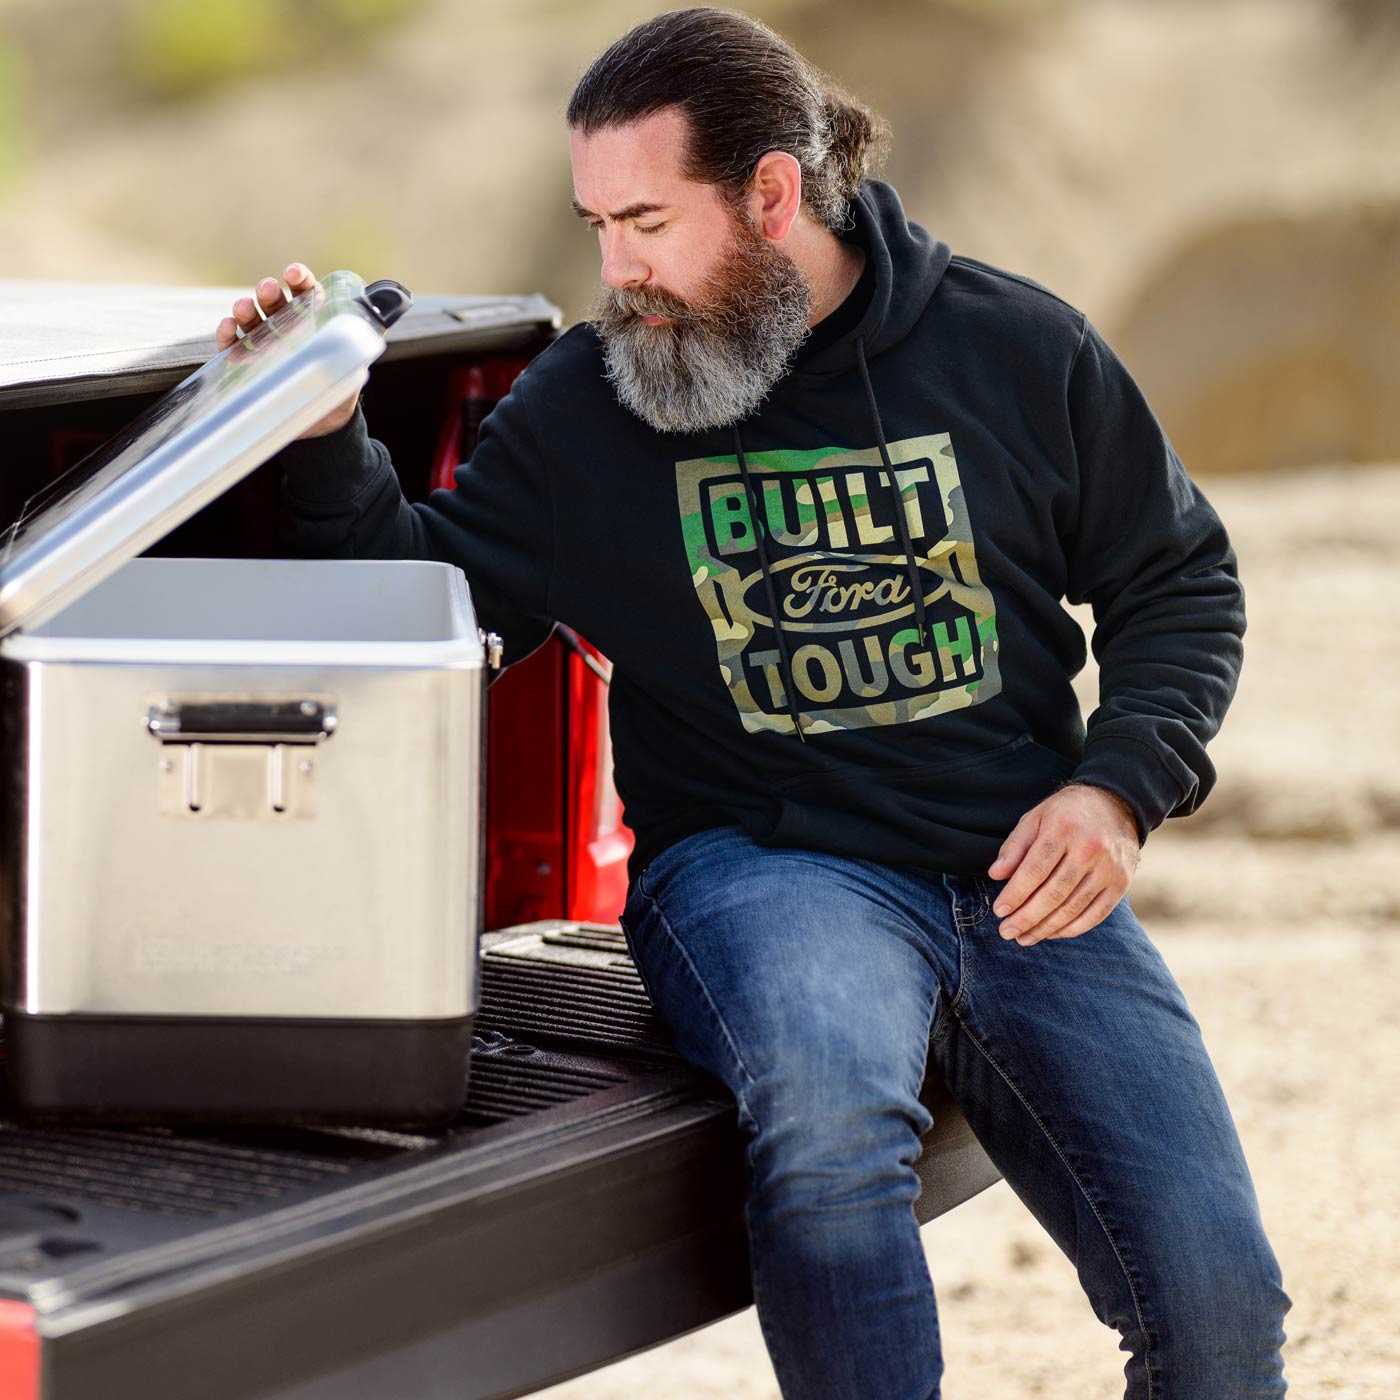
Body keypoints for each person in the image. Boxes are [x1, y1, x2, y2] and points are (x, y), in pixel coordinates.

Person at [219, 10, 1289, 1397]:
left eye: (648, 221)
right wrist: (322, 433)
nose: (617, 269)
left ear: (774, 195)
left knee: (1223, 1311)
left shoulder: (1020, 353)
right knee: (833, 1122)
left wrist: (1118, 785)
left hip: (1020, 874)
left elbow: (1180, 580)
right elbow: (428, 601)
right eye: (597, 223)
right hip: (764, 872)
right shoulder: (586, 408)